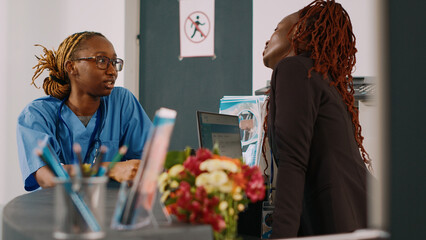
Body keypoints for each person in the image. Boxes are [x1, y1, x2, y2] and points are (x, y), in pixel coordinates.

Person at [262, 0, 372, 238]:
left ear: (298, 32)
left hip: (339, 218)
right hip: (357, 214)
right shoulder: (315, 76)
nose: (267, 39)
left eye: (276, 29)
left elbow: (293, 163)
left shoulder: (294, 69)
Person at [17, 31, 153, 191]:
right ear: (72, 67)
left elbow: (151, 162)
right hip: (55, 210)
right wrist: (109, 169)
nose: (112, 71)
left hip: (109, 210)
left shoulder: (121, 102)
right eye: (102, 61)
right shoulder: (36, 115)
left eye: (114, 62)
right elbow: (47, 177)